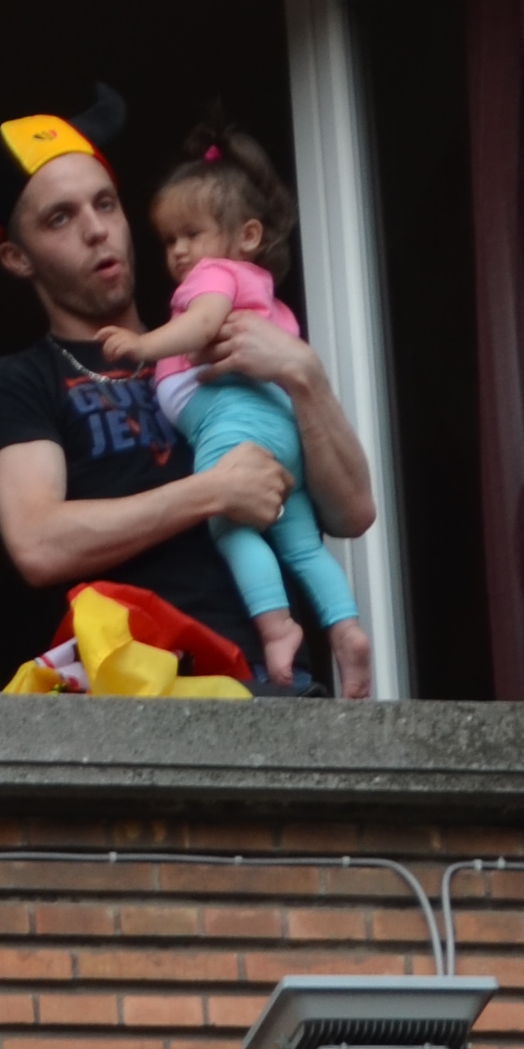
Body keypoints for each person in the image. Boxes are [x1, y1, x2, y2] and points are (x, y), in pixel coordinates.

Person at [0, 90, 376, 697]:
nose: (96, 230)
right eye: (60, 218)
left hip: (275, 682)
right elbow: (38, 544)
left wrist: (303, 375)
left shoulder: (211, 340)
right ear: (17, 258)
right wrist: (212, 492)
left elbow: (352, 512)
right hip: (135, 694)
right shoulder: (20, 382)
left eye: (105, 203)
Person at [96, 121, 360, 691]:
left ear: (247, 235)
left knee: (231, 528)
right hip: (280, 428)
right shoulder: (260, 290)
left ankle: (277, 629)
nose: (178, 252)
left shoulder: (213, 278)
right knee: (301, 544)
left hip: (232, 422)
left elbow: (200, 326)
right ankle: (345, 630)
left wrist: (143, 346)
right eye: (169, 240)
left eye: (191, 234)